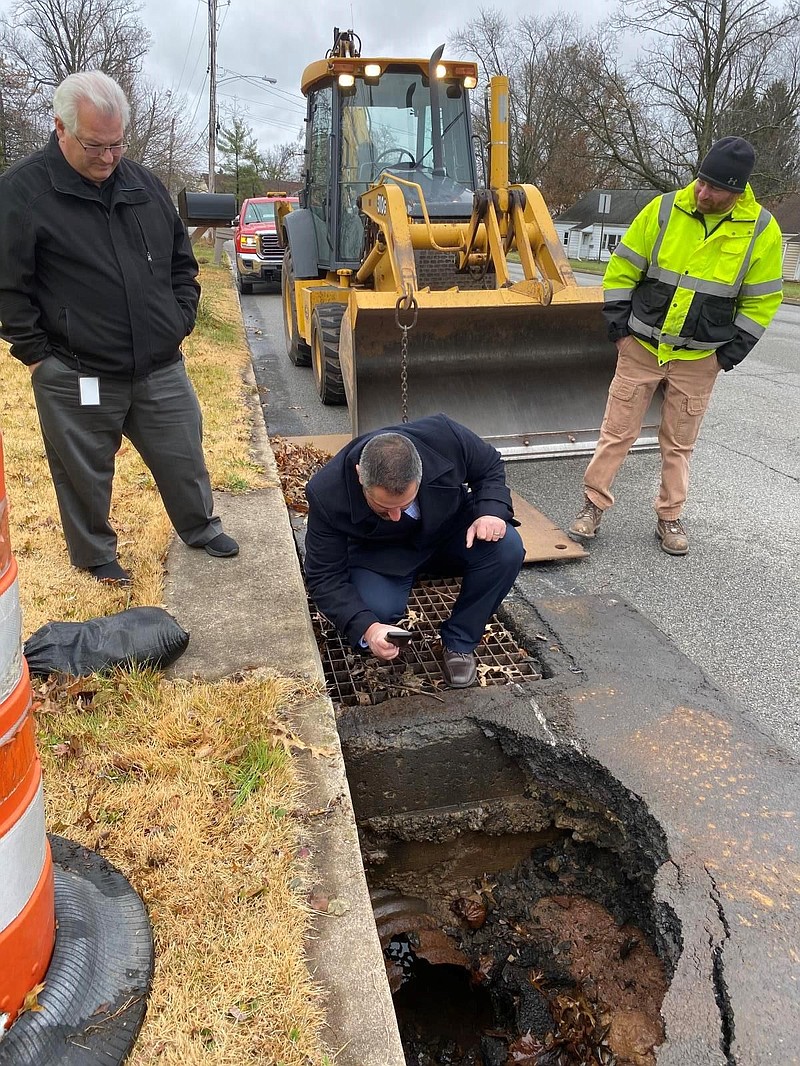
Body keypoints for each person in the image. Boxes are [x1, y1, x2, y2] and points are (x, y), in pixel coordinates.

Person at [0, 71, 238, 586]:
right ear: (60, 129)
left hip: (158, 365)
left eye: (117, 144)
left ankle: (198, 527)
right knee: (83, 471)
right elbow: (8, 286)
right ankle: (95, 555)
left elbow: (182, 261)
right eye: (95, 145)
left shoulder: (144, 184)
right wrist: (39, 356)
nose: (108, 157)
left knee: (184, 453)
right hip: (77, 369)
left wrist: (181, 317)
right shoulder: (22, 194)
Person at [568, 136, 783, 556]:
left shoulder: (761, 231)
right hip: (642, 348)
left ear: (737, 191)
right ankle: (591, 507)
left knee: (679, 443)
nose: (703, 192)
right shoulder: (665, 209)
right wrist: (620, 331)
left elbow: (761, 301)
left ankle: (669, 517)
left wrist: (725, 357)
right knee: (616, 433)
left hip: (700, 359)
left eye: (715, 188)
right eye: (701, 181)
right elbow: (623, 267)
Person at [304, 413, 525, 688]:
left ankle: (459, 642)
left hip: (448, 530)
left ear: (421, 471)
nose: (396, 515)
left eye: (405, 504)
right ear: (360, 475)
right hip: (381, 554)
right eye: (384, 508)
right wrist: (369, 628)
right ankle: (380, 620)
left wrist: (491, 511)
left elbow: (489, 465)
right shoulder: (326, 493)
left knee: (506, 547)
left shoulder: (444, 436)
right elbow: (324, 576)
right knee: (373, 610)